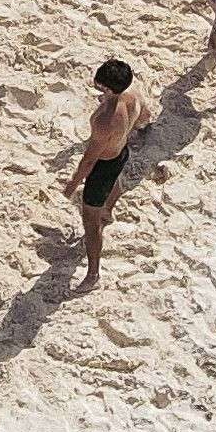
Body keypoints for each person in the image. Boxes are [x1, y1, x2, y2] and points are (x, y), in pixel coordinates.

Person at [63, 58, 147, 295]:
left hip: (103, 165)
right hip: (122, 151)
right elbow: (144, 115)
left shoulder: (104, 122)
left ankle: (93, 275)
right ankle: (108, 211)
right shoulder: (132, 93)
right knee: (116, 184)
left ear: (108, 89)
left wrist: (72, 184)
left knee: (90, 222)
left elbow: (89, 160)